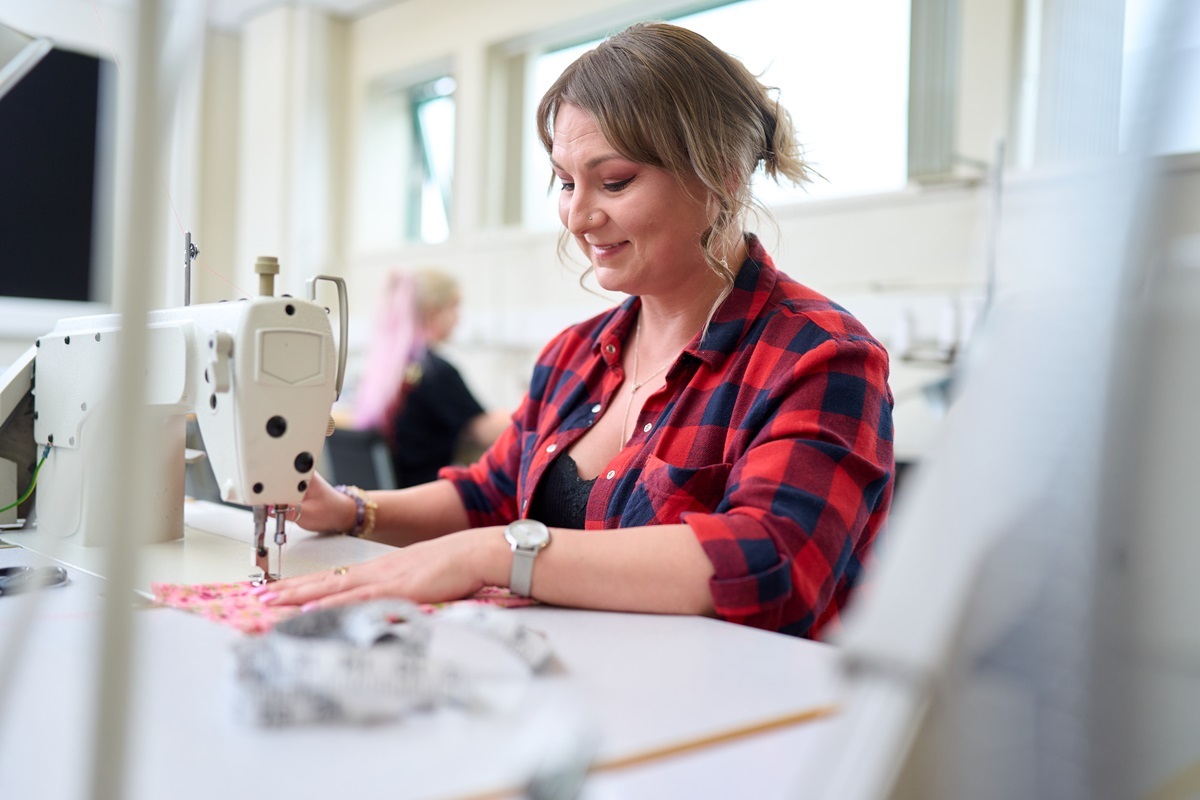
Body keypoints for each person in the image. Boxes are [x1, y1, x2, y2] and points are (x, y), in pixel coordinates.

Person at [256, 22, 894, 639]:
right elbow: (492, 492)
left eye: (614, 181)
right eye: (565, 182)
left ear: (721, 173)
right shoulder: (573, 355)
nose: (578, 215)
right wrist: (351, 510)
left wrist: (499, 555)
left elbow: (774, 560)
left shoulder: (820, 358)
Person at [352, 268, 509, 487]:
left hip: (395, 494)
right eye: (454, 306)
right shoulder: (435, 371)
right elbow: (483, 430)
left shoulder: (392, 370)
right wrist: (531, 411)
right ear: (433, 313)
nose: (458, 318)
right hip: (424, 493)